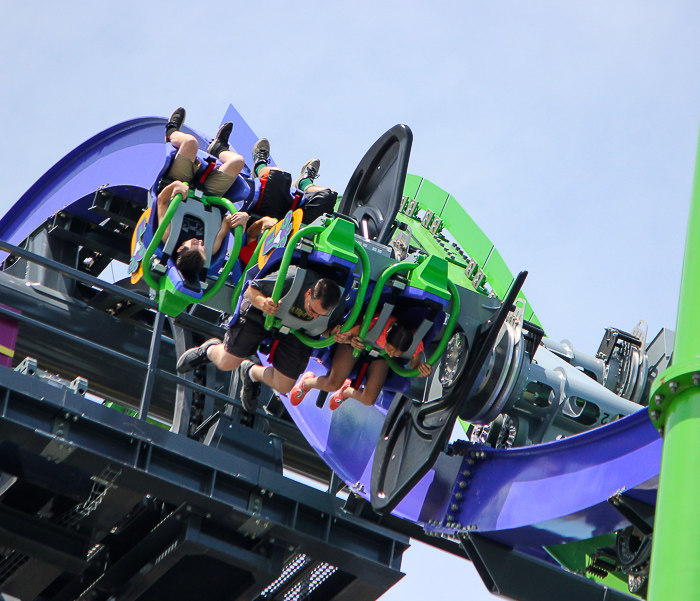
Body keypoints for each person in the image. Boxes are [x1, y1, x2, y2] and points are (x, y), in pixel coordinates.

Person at [176, 265, 344, 411]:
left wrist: (335, 334)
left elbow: (324, 330)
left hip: (297, 331)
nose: (314, 316)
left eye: (320, 314)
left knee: (284, 385)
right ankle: (209, 350)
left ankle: (251, 372)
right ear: (308, 293)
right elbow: (251, 290)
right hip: (261, 314)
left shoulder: (335, 307)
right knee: (226, 363)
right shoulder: (291, 278)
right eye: (311, 310)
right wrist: (263, 302)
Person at [155, 108, 249, 280]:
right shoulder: (211, 248)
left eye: (196, 244)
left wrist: (175, 186)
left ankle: (171, 131)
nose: (201, 243)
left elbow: (161, 202)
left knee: (190, 142)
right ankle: (218, 148)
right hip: (208, 198)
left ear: (180, 248)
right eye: (203, 248)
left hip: (179, 185)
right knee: (238, 161)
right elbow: (227, 223)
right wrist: (242, 218)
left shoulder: (168, 235)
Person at [289, 315, 433, 410]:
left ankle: (346, 391)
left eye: (396, 354)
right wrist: (351, 340)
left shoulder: (414, 344)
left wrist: (423, 372)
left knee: (369, 399)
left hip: (379, 356)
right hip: (353, 345)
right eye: (390, 350)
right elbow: (339, 337)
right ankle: (306, 383)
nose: (392, 354)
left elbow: (415, 367)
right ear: (387, 338)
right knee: (332, 384)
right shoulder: (374, 325)